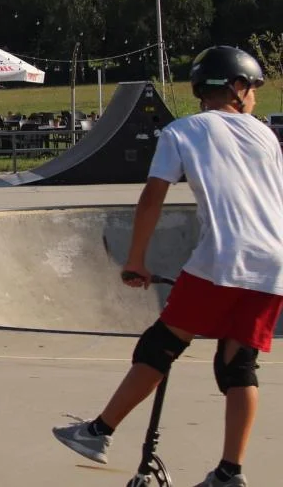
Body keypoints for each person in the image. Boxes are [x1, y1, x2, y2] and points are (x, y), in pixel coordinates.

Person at [52, 46, 283, 487]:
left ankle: (97, 432)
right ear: (236, 87)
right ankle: (229, 473)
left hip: (224, 256)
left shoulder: (183, 131)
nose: (253, 96)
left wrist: (135, 260)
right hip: (274, 265)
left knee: (160, 345)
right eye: (252, 88)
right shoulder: (266, 136)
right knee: (239, 366)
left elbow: (153, 196)